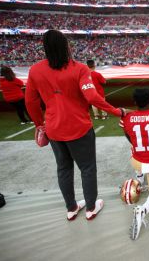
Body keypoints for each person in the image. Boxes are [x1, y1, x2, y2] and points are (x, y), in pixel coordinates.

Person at [25, 30, 125, 221]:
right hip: (79, 127)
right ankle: (90, 207)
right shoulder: (79, 69)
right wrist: (116, 111)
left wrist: (39, 125)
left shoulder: (35, 70)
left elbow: (30, 102)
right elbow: (92, 97)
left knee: (63, 168)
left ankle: (71, 208)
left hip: (54, 129)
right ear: (66, 46)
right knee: (87, 168)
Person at [119, 88, 149, 240]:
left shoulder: (127, 117)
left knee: (134, 146)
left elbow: (130, 138)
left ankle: (139, 176)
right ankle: (143, 210)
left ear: (134, 102)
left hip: (137, 161)